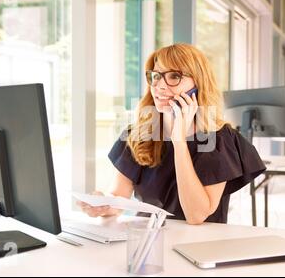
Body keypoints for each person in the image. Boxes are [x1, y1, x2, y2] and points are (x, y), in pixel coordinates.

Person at [78, 43, 266, 224]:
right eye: (156, 76)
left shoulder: (220, 139)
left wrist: (179, 142)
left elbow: (196, 216)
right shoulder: (139, 134)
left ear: (198, 84)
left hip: (197, 247)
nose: (160, 86)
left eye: (174, 76)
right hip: (148, 241)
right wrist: (104, 205)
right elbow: (119, 197)